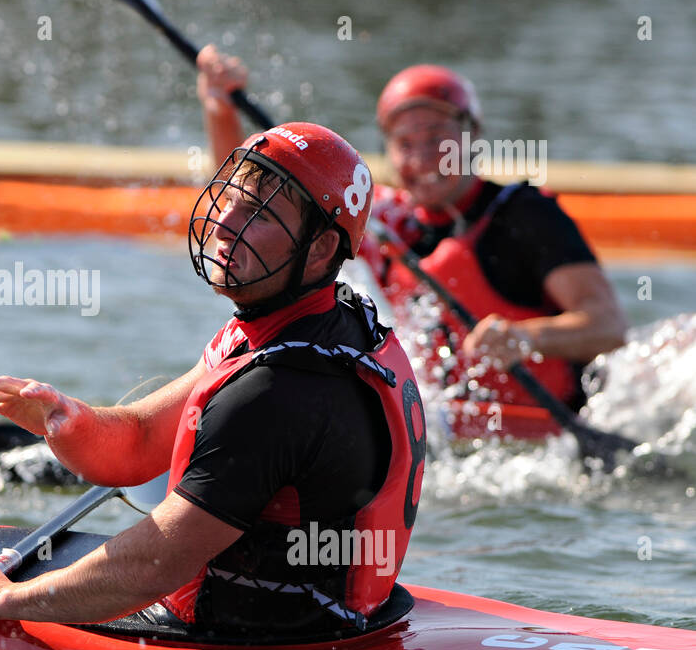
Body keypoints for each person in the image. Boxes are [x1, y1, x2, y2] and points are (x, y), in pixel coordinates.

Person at [0, 123, 426, 640]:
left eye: (257, 215)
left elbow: (157, 565)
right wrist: (65, 419)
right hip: (342, 615)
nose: (224, 224)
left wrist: (1, 598)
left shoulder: (280, 391)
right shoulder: (318, 322)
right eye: (232, 199)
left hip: (270, 634)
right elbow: (140, 443)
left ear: (321, 248)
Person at [196, 47, 627, 410]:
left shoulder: (526, 216)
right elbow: (252, 208)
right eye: (405, 142)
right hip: (455, 439)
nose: (423, 155)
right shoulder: (383, 220)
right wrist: (220, 111)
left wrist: (522, 337)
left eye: (438, 135)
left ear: (472, 136)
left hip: (557, 427)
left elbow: (608, 325)